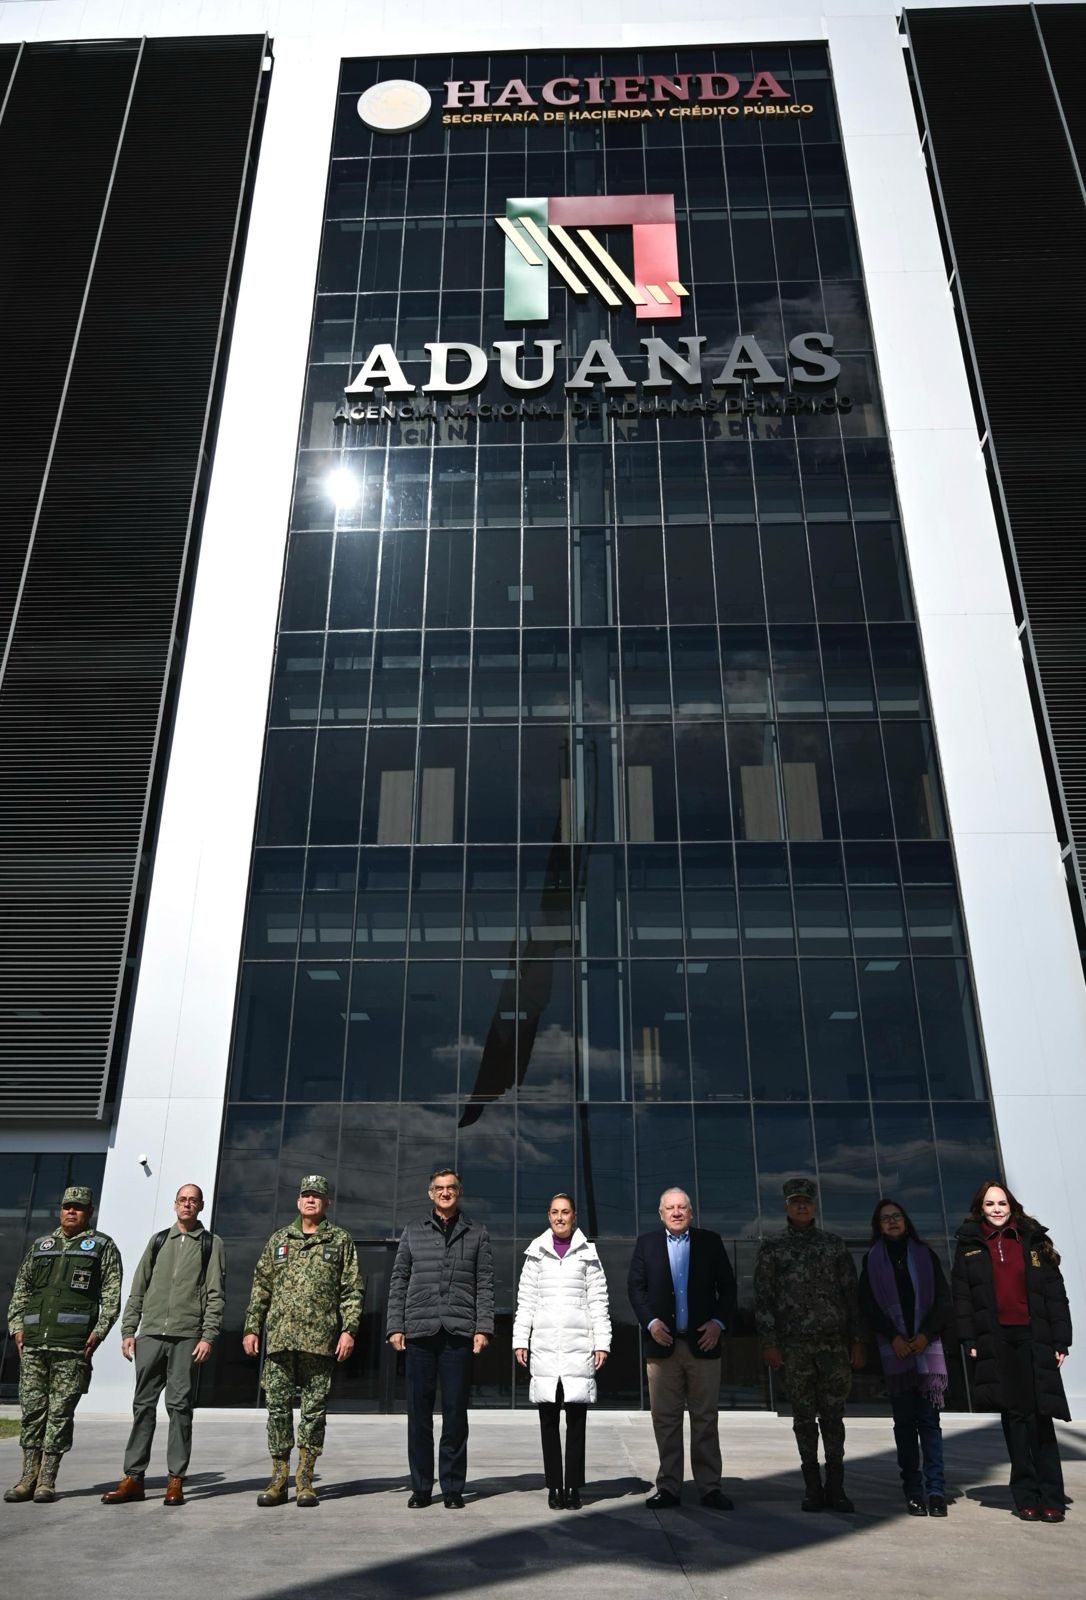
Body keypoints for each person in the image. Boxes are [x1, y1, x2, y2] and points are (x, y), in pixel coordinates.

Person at [953, 1179, 1072, 1522]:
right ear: (980, 1209)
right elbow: (962, 1297)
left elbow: (1055, 1294)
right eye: (990, 1204)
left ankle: (1051, 1497)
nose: (997, 1209)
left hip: (1035, 1337)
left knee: (1040, 1415)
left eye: (1002, 1203)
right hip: (997, 1340)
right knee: (1014, 1418)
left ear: (1011, 1206)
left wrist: (1060, 1341)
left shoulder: (1032, 1239)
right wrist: (969, 1340)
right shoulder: (970, 1244)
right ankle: (1026, 1496)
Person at [101, 1182, 226, 1507]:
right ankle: (133, 1478)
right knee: (142, 1406)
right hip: (151, 1334)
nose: (187, 1204)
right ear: (175, 1204)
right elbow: (138, 1288)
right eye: (182, 1199)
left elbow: (216, 1295)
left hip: (187, 1336)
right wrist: (129, 1330)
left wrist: (207, 1336)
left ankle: (175, 1480)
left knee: (180, 1408)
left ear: (201, 1206)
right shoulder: (158, 1241)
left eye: (193, 1200)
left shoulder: (211, 1244)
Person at [242, 1174, 362, 1508]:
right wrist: (251, 1328)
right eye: (306, 1195)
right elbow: (261, 1286)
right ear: (298, 1201)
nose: (311, 1200)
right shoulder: (279, 1239)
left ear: (326, 1203)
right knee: (278, 1410)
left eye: (317, 1196)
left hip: (319, 1342)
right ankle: (279, 1479)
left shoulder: (340, 1240)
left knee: (313, 1412)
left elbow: (352, 1290)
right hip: (280, 1341)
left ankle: (305, 1479)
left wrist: (349, 1330)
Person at [4, 1185, 122, 1504]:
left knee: (59, 1414)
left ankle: (47, 1479)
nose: (71, 1211)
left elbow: (111, 1295)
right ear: (60, 1210)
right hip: (34, 1344)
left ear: (89, 1212)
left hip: (72, 1346)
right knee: (32, 1412)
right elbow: (22, 1289)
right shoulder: (42, 1245)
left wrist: (99, 1332)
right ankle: (27, 1477)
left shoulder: (102, 1246)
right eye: (67, 1206)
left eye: (78, 1207)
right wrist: (16, 1327)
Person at [753, 1177, 864, 1513]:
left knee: (833, 1417)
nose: (801, 1206)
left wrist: (857, 1340)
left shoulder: (834, 1245)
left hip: (833, 1346)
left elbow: (852, 1296)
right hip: (794, 1347)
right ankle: (812, 1487)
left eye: (806, 1201)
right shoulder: (773, 1247)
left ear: (814, 1206)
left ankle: (836, 1487)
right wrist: (769, 1343)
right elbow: (764, 1299)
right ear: (786, 1206)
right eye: (795, 1201)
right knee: (803, 1419)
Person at [386, 1167, 494, 1509]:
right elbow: (399, 1279)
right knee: (418, 1414)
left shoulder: (477, 1232)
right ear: (430, 1193)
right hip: (419, 1332)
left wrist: (483, 1327)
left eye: (451, 1188)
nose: (445, 1192)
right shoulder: (413, 1231)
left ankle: (452, 1488)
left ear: (458, 1192)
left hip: (458, 1333)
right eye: (439, 1188)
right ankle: (421, 1487)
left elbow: (485, 1284)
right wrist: (395, 1325)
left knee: (455, 1414)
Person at [627, 1187, 736, 1510]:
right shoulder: (646, 1244)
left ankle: (710, 1487)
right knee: (666, 1420)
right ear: (661, 1214)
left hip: (703, 1344)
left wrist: (718, 1322)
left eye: (682, 1207)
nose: (676, 1212)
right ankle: (669, 1487)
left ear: (690, 1212)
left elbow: (728, 1288)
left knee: (705, 1419)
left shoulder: (710, 1242)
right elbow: (635, 1289)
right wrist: (650, 1323)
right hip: (662, 1347)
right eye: (670, 1208)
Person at [513, 1193, 611, 1509]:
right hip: (544, 1349)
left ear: (574, 1216)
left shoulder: (588, 1254)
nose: (559, 1217)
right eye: (554, 1212)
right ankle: (554, 1486)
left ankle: (574, 1487)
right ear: (548, 1216)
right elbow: (525, 1302)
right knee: (548, 1422)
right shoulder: (535, 1254)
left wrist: (602, 1342)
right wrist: (520, 1340)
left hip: (578, 1348)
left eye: (565, 1212)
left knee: (577, 1424)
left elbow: (599, 1302)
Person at [859, 1197, 952, 1516]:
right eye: (885, 1218)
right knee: (904, 1424)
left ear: (906, 1220)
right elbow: (868, 1305)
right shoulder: (872, 1260)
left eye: (897, 1216)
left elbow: (943, 1301)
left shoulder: (926, 1254)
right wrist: (894, 1337)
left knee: (929, 1422)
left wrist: (925, 1335)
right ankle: (913, 1490)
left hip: (927, 1349)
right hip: (895, 1352)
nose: (892, 1221)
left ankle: (936, 1490)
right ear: (878, 1226)